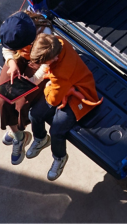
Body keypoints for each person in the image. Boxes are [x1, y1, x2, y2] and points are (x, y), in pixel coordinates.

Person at [26, 33, 102, 181]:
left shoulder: (60, 73)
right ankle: (41, 139)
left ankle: (60, 157)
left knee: (57, 131)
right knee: (34, 114)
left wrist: (48, 86)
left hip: (80, 93)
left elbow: (53, 100)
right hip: (64, 85)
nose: (53, 60)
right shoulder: (57, 40)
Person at [0, 10, 53, 166]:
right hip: (19, 58)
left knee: (22, 103)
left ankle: (17, 130)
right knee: (3, 97)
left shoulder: (45, 35)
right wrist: (12, 63)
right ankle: (20, 137)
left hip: (39, 63)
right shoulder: (10, 26)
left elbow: (47, 65)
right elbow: (7, 49)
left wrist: (33, 80)